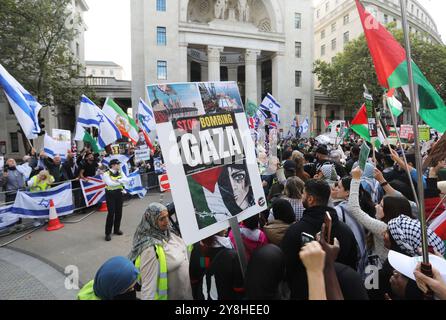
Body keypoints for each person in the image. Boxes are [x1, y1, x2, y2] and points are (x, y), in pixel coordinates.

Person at [281, 179, 359, 300]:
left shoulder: (295, 231)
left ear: (310, 199)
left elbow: (286, 268)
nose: (302, 196)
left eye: (303, 194)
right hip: (339, 291)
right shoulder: (346, 231)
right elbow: (353, 263)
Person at [348, 167, 413, 266]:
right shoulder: (405, 223)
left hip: (380, 268)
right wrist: (381, 180)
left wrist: (355, 180)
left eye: (381, 205)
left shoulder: (383, 227)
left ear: (390, 211)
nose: (376, 206)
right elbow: (401, 198)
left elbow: (354, 209)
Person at [128, 203, 192, 300]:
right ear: (152, 220)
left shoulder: (169, 232)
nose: (167, 221)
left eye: (167, 216)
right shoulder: (150, 249)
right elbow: (148, 287)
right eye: (161, 218)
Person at [189, 230, 233, 300]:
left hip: (207, 291)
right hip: (218, 291)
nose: (226, 229)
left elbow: (197, 274)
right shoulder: (229, 249)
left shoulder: (201, 247)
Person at [102, 159, 128, 241]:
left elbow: (126, 180)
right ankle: (107, 233)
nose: (119, 165)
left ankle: (116, 229)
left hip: (119, 193)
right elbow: (110, 183)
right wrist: (121, 182)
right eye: (117, 164)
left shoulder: (120, 172)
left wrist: (118, 180)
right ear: (113, 165)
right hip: (110, 194)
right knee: (111, 213)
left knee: (119, 212)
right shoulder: (106, 174)